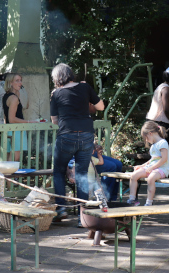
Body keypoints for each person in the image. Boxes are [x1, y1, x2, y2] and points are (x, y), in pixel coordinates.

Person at [50, 63, 104, 222]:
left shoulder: (56, 93)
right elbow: (100, 106)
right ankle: (83, 217)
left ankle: (61, 209)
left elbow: (54, 121)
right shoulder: (85, 87)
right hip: (87, 135)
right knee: (81, 174)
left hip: (66, 135)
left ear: (57, 77)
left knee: (59, 171)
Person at [127, 121, 169, 206]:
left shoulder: (163, 143)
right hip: (152, 167)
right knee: (134, 175)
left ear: (150, 133)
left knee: (151, 178)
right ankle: (132, 199)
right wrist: (142, 166)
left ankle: (149, 202)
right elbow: (152, 159)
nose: (146, 140)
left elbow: (164, 159)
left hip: (162, 169)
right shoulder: (154, 145)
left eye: (146, 137)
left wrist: (152, 168)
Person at [146, 66, 169, 160]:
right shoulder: (166, 89)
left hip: (155, 122)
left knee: (162, 149)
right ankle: (164, 173)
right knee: (167, 149)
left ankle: (162, 172)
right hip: (159, 123)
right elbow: (166, 109)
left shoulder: (161, 86)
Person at [3, 73, 38, 162]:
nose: (20, 83)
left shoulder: (7, 96)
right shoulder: (14, 98)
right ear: (10, 83)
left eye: (20, 80)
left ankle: (7, 175)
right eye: (17, 81)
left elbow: (6, 117)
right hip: (16, 130)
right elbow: (12, 119)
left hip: (9, 129)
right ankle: (10, 175)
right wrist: (30, 122)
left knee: (9, 157)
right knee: (15, 158)